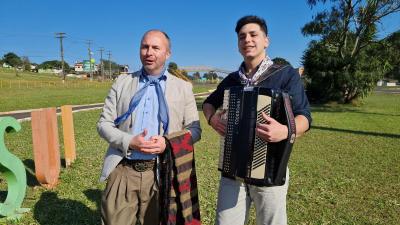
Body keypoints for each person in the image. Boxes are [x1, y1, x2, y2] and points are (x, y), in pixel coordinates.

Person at [202, 15, 312, 225]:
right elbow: (208, 104)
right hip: (232, 168)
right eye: (242, 36)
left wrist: (285, 131)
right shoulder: (232, 79)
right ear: (238, 44)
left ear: (266, 40)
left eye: (254, 35)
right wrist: (212, 119)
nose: (247, 40)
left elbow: (304, 117)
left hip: (270, 168)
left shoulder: (286, 75)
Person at [97, 29, 201, 225]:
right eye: (145, 47)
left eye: (155, 47)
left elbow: (195, 131)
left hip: (162, 173)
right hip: (123, 169)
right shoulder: (122, 82)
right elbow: (103, 124)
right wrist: (129, 141)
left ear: (167, 53)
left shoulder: (183, 88)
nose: (149, 52)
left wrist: (167, 144)